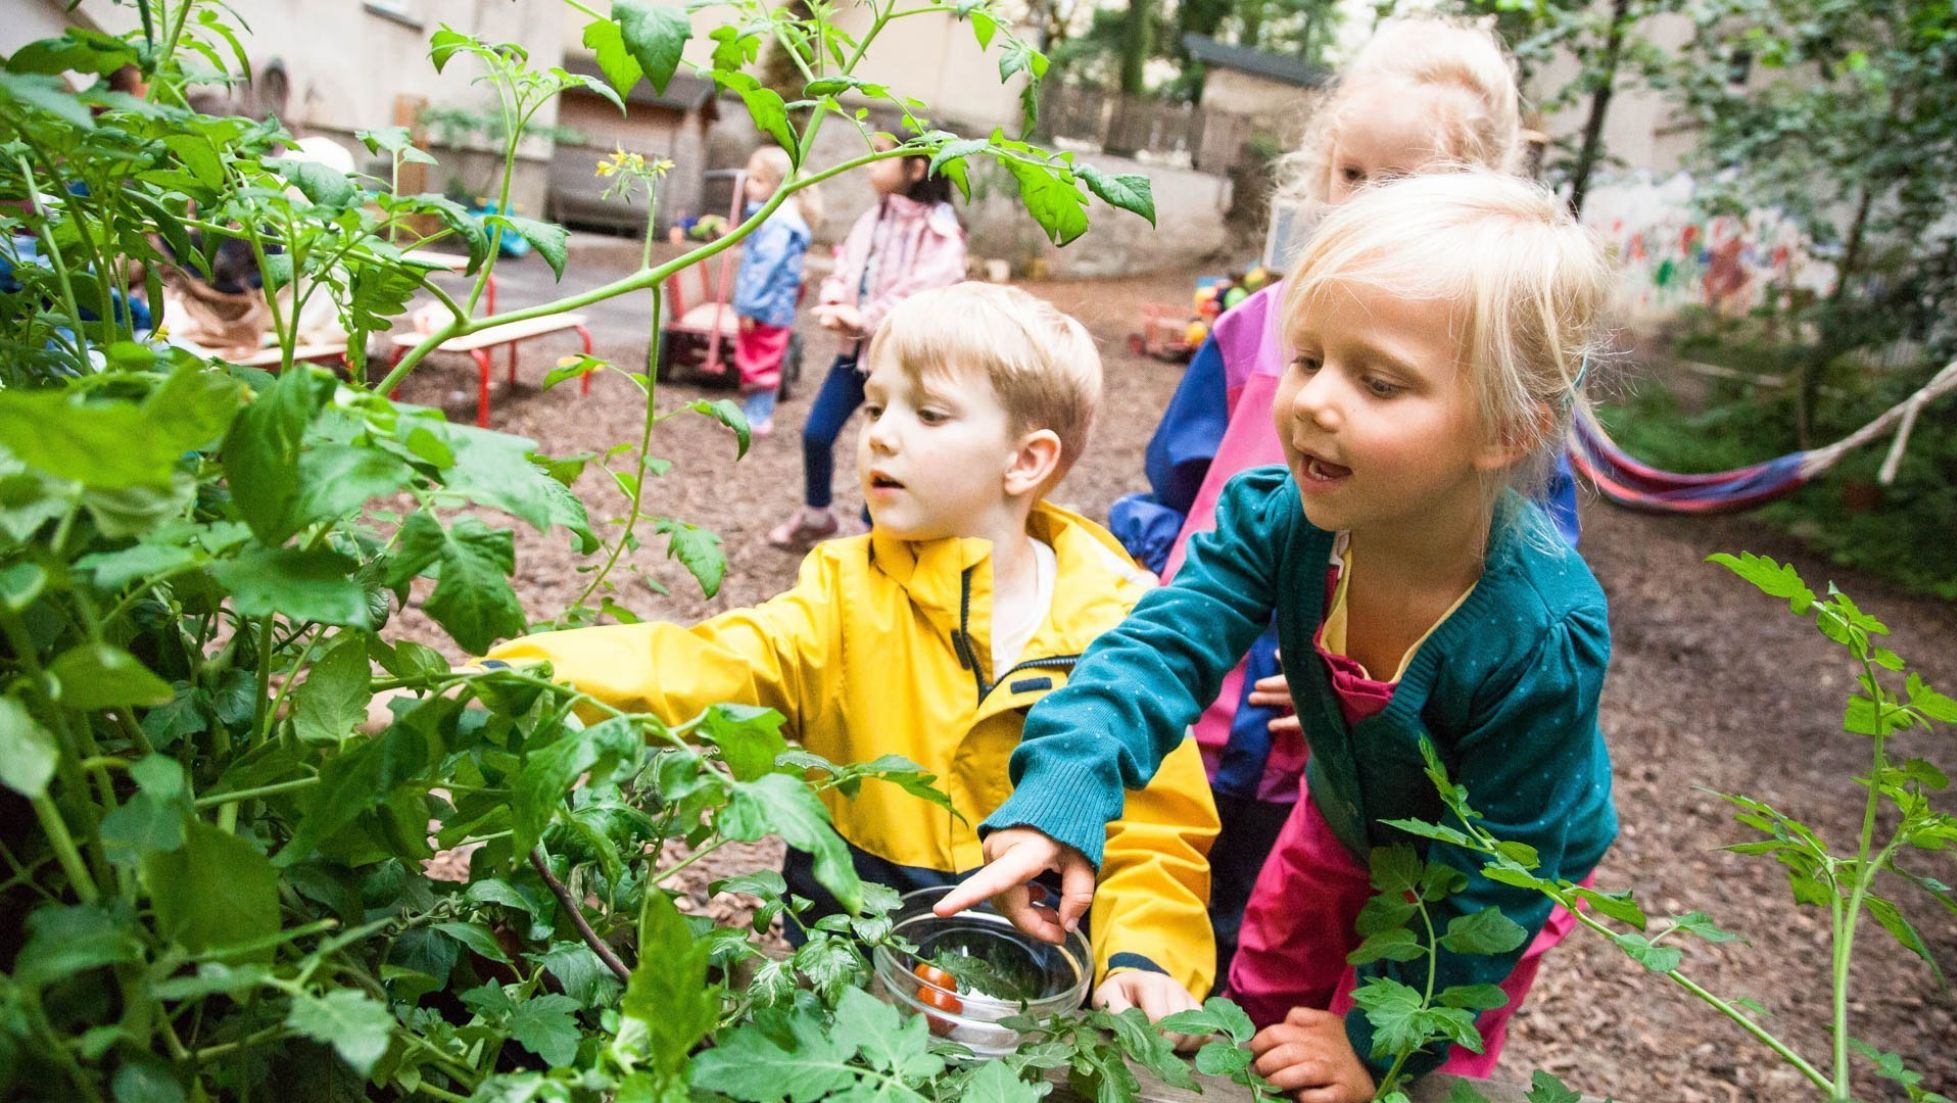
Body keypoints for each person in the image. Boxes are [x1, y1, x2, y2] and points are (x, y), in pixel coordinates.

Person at [941, 172, 1618, 1098]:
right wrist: (1061, 790)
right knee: (1262, 995)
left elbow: (1499, 878)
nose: (1312, 402)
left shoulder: (1543, 633)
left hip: (1480, 877)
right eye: (1307, 358)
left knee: (1398, 1065)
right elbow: (1154, 650)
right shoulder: (1280, 520)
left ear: (1506, 428)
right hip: (1341, 812)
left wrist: (1374, 1044)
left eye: (1377, 381)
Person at [488, 283, 1220, 1018]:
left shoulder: (1120, 624)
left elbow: (1155, 829)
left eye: (928, 413)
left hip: (1033, 1001)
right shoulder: (843, 594)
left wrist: (1144, 954)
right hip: (853, 984)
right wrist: (496, 685)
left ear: (1026, 460)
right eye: (875, 405)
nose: (880, 434)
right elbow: (701, 663)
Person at [1103, 16, 1578, 985]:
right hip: (1202, 685)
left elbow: (1508, 569)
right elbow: (1177, 489)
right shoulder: (1253, 330)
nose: (1362, 202)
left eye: (1401, 186)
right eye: (1350, 173)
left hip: (1317, 731)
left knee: (1271, 910)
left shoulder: (1487, 390)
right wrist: (1162, 574)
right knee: (1154, 889)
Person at [765, 139, 967, 548]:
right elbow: (845, 264)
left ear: (915, 167)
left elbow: (926, 290)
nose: (868, 164)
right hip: (854, 357)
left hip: (906, 368)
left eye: (881, 155)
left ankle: (875, 532)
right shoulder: (872, 219)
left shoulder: (940, 231)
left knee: (889, 448)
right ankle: (817, 514)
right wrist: (836, 299)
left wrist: (865, 317)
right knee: (817, 433)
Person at [732, 145, 814, 437]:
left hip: (765, 306)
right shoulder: (775, 218)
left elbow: (764, 269)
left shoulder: (777, 224)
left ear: (777, 185)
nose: (749, 185)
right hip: (773, 305)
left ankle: (758, 417)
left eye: (758, 179)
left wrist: (749, 307)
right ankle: (755, 412)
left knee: (761, 358)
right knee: (761, 356)